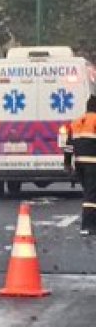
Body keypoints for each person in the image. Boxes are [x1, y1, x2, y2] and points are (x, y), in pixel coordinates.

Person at [67, 95, 96, 235]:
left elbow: (68, 146)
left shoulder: (75, 122)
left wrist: (67, 164)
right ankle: (88, 226)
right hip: (93, 163)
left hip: (79, 163)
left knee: (89, 193)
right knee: (91, 196)